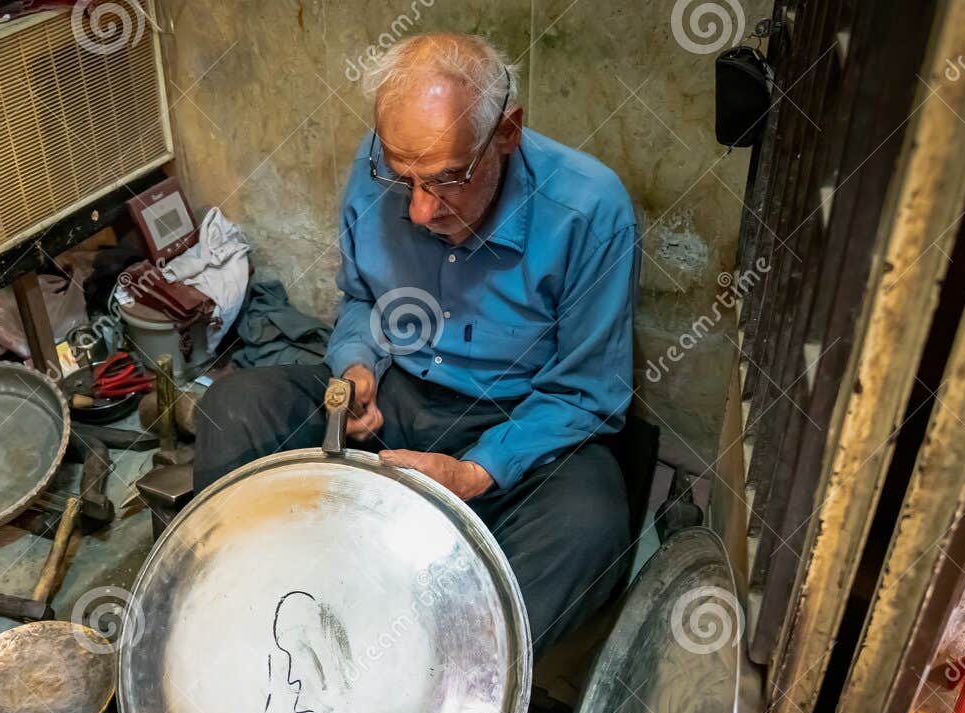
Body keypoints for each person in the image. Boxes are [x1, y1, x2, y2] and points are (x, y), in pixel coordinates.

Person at [195, 33, 640, 653]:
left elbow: (586, 393)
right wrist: (358, 365)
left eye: (448, 180)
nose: (421, 212)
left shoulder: (589, 209)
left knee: (590, 525)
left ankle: (435, 674)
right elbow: (362, 300)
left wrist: (473, 473)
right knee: (234, 406)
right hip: (398, 400)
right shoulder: (379, 164)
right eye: (404, 178)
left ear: (506, 133)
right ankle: (257, 617)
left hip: (516, 423)